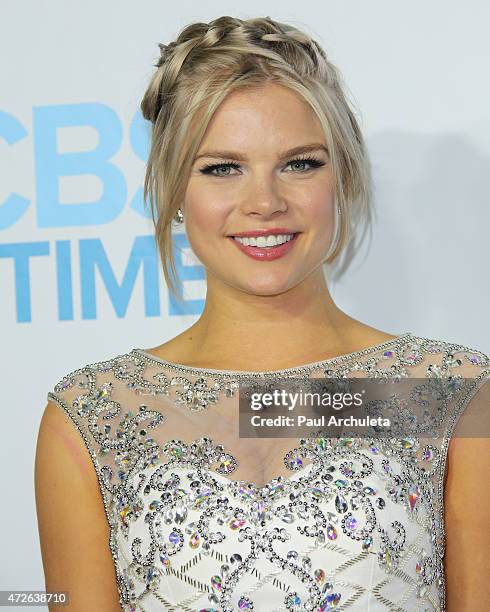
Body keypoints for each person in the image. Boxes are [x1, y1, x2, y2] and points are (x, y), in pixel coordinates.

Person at [35, 15, 490, 611]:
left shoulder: (444, 393)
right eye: (222, 167)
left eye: (300, 163)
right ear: (173, 191)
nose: (265, 203)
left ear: (344, 177)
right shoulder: (96, 416)